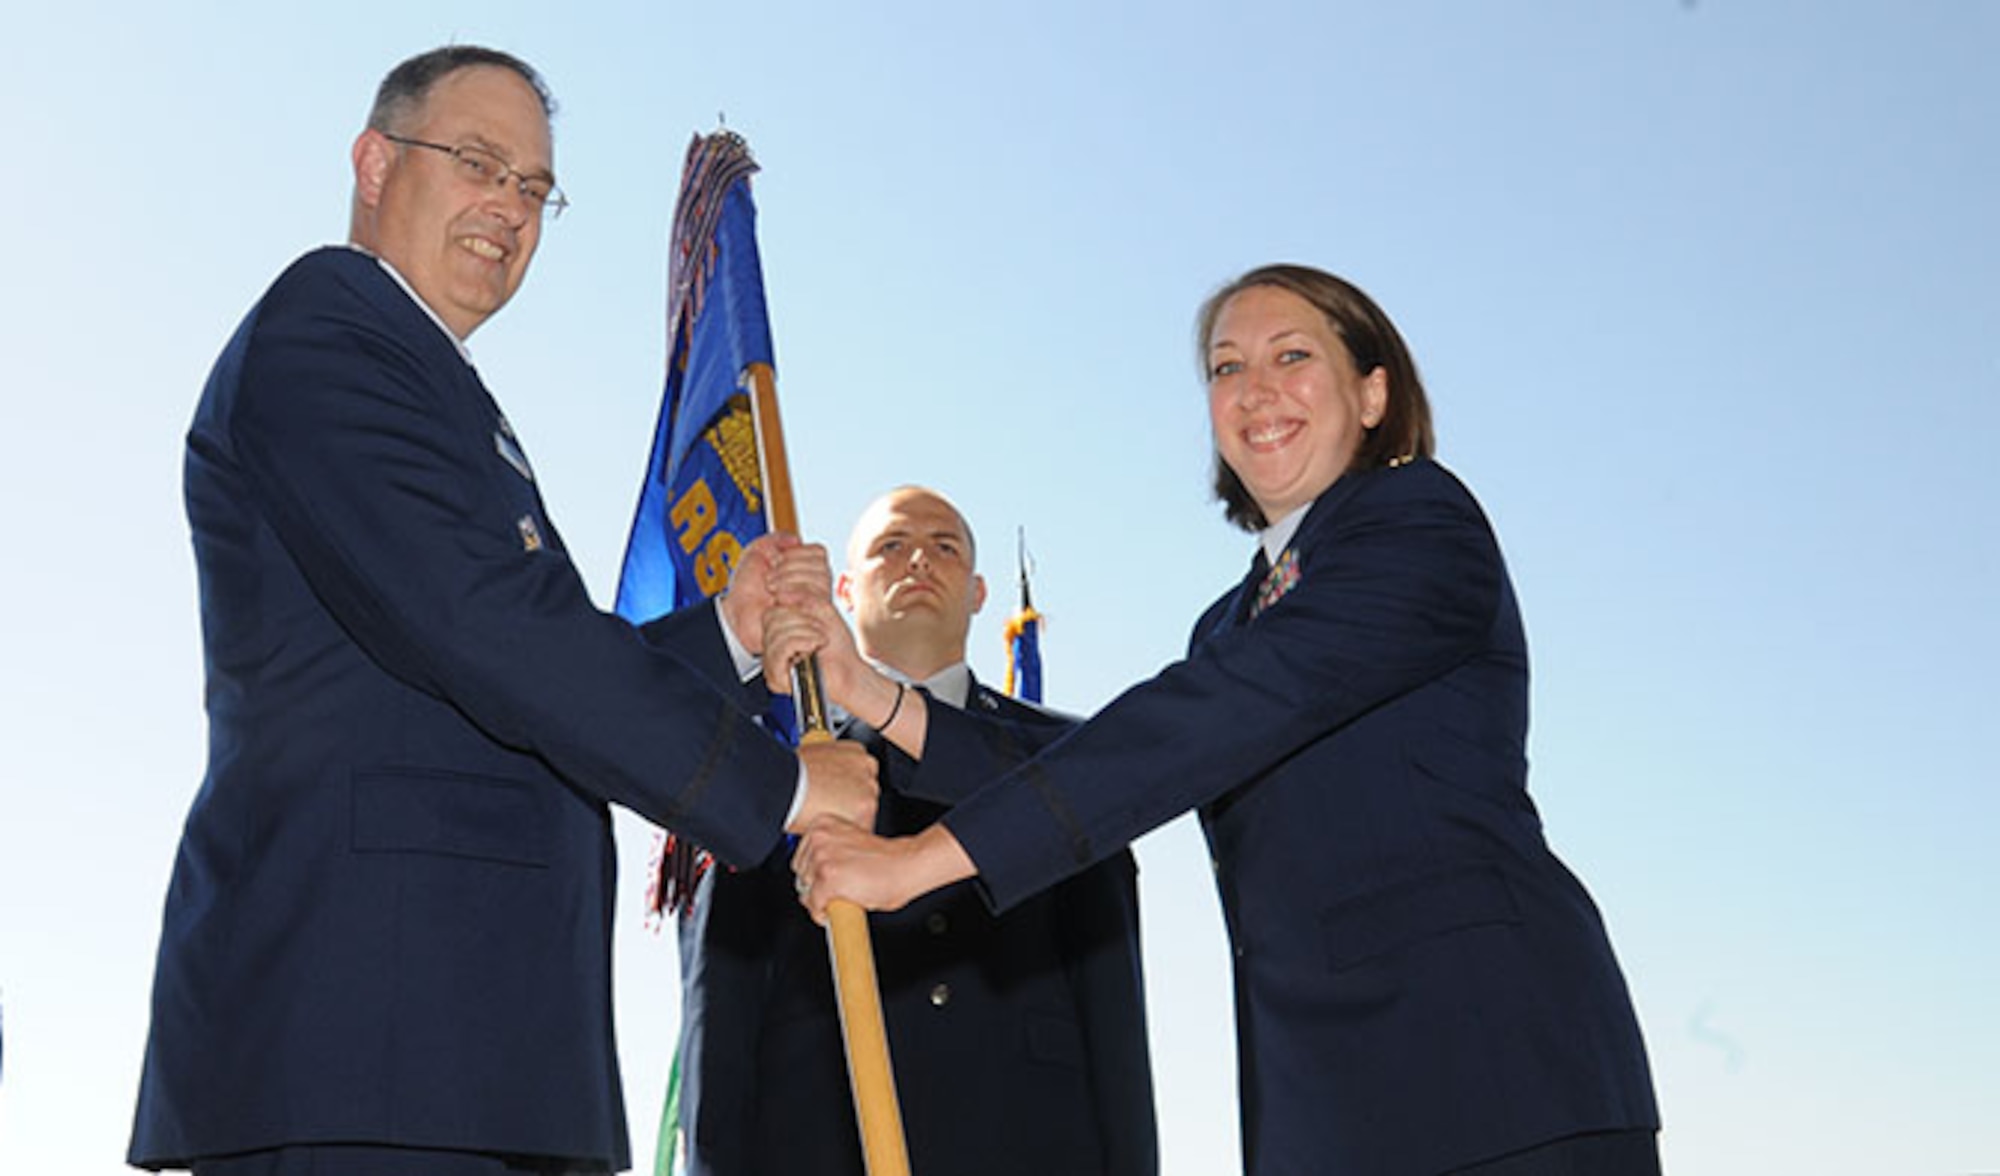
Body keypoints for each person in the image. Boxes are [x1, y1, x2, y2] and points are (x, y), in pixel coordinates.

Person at [127, 46, 876, 1176]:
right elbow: (490, 626)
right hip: (364, 1043)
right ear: (375, 163)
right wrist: (770, 786)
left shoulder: (433, 381)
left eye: (534, 187)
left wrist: (724, 626)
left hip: (468, 1052)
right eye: (478, 162)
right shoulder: (327, 329)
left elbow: (492, 660)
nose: (509, 208)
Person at [792, 266, 1662, 1175]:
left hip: (1498, 1085)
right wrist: (868, 692)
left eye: (1293, 356)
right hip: (1321, 1110)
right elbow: (1108, 763)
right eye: (1225, 368)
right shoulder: (1228, 623)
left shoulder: (1420, 521)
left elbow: (1199, 724)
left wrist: (917, 863)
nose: (1256, 391)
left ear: (1373, 393)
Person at [671, 486, 1156, 1176]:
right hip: (817, 1145)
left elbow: (1112, 1016)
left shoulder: (1068, 757)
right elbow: (721, 1012)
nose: (919, 560)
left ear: (980, 590)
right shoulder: (768, 763)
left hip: (1031, 1145)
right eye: (890, 546)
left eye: (945, 546)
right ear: (843, 587)